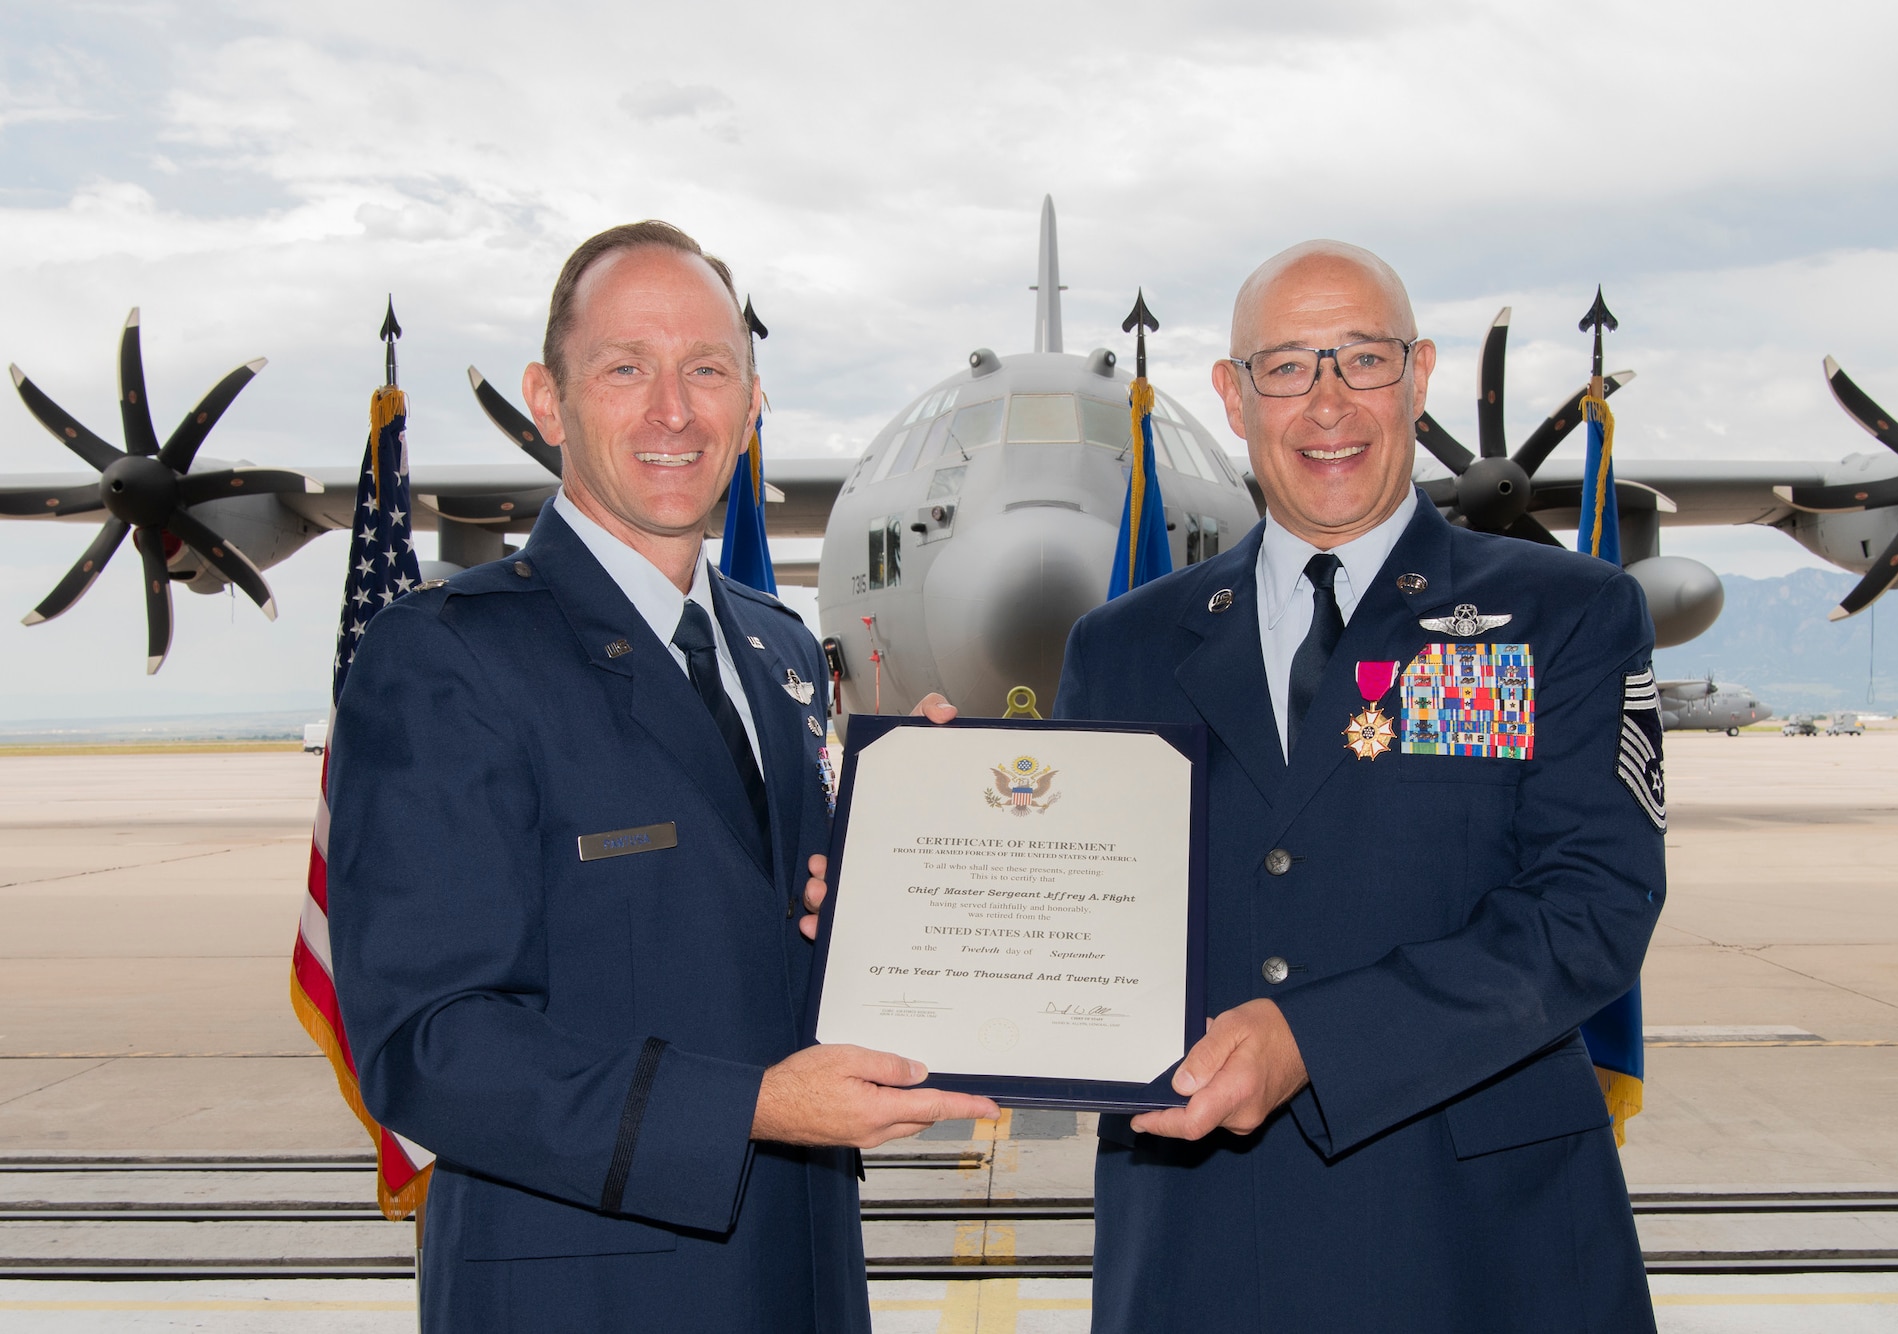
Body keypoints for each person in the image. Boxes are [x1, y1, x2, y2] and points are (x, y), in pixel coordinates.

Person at [328, 220, 996, 1332]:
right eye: (625, 368)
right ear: (549, 399)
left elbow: (756, 931)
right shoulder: (446, 656)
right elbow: (427, 1044)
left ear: (750, 400)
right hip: (588, 1289)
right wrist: (755, 1105)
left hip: (803, 1274)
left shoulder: (779, 649)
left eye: (706, 370)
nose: (672, 412)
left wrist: (919, 850)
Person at [1051, 241, 1666, 1331]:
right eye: (1285, 366)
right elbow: (1068, 913)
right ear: (1232, 399)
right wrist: (921, 834)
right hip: (1201, 1233)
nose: (1326, 402)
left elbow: (1591, 907)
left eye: (1362, 360)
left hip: (1481, 1239)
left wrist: (1311, 1041)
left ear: (1418, 376)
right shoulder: (1122, 648)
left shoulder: (1563, 614)